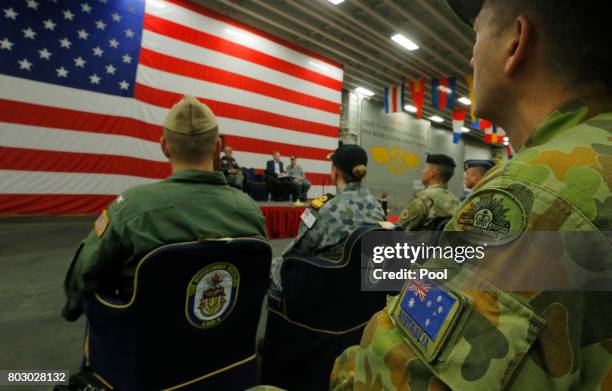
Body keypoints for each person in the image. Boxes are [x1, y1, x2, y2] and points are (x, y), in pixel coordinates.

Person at [331, 0, 612, 389]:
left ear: (516, 43)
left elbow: (379, 381)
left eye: (477, 34)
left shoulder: (534, 195)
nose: (471, 53)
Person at [62, 95, 268, 320]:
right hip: (230, 350)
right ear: (217, 146)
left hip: (146, 352)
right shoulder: (250, 211)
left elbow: (83, 276)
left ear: (164, 147)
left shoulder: (131, 208)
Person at [270, 144, 386, 290]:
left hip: (326, 291)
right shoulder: (378, 209)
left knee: (277, 265)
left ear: (335, 171)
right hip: (367, 291)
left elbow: (297, 251)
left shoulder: (324, 208)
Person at [397, 154, 460, 231]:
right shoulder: (456, 201)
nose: (423, 171)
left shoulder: (423, 199)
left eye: (425, 168)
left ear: (432, 173)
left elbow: (401, 227)